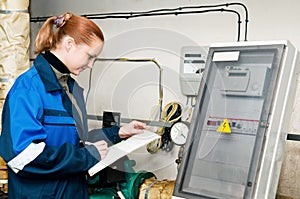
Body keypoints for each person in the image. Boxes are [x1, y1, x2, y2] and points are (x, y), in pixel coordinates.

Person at [0, 12, 147, 199]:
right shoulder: (28, 89)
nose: (91, 65)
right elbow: (22, 156)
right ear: (69, 44)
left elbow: (75, 141)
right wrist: (86, 156)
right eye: (90, 56)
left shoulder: (72, 89)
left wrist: (118, 133)